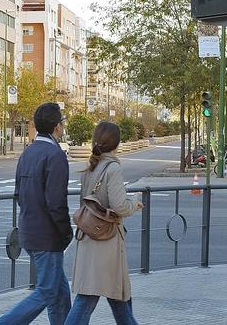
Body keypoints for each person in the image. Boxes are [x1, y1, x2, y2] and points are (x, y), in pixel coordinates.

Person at [0, 103, 73, 325]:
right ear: (57, 127)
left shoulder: (27, 153)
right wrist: (67, 233)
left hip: (29, 231)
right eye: (62, 124)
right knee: (47, 292)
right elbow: (57, 204)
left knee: (60, 293)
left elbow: (19, 194)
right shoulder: (55, 155)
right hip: (47, 237)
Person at [64, 121, 144, 325]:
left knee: (119, 298)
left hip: (90, 237)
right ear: (117, 144)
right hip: (106, 243)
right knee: (90, 298)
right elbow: (120, 206)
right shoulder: (112, 168)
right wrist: (135, 203)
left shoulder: (91, 166)